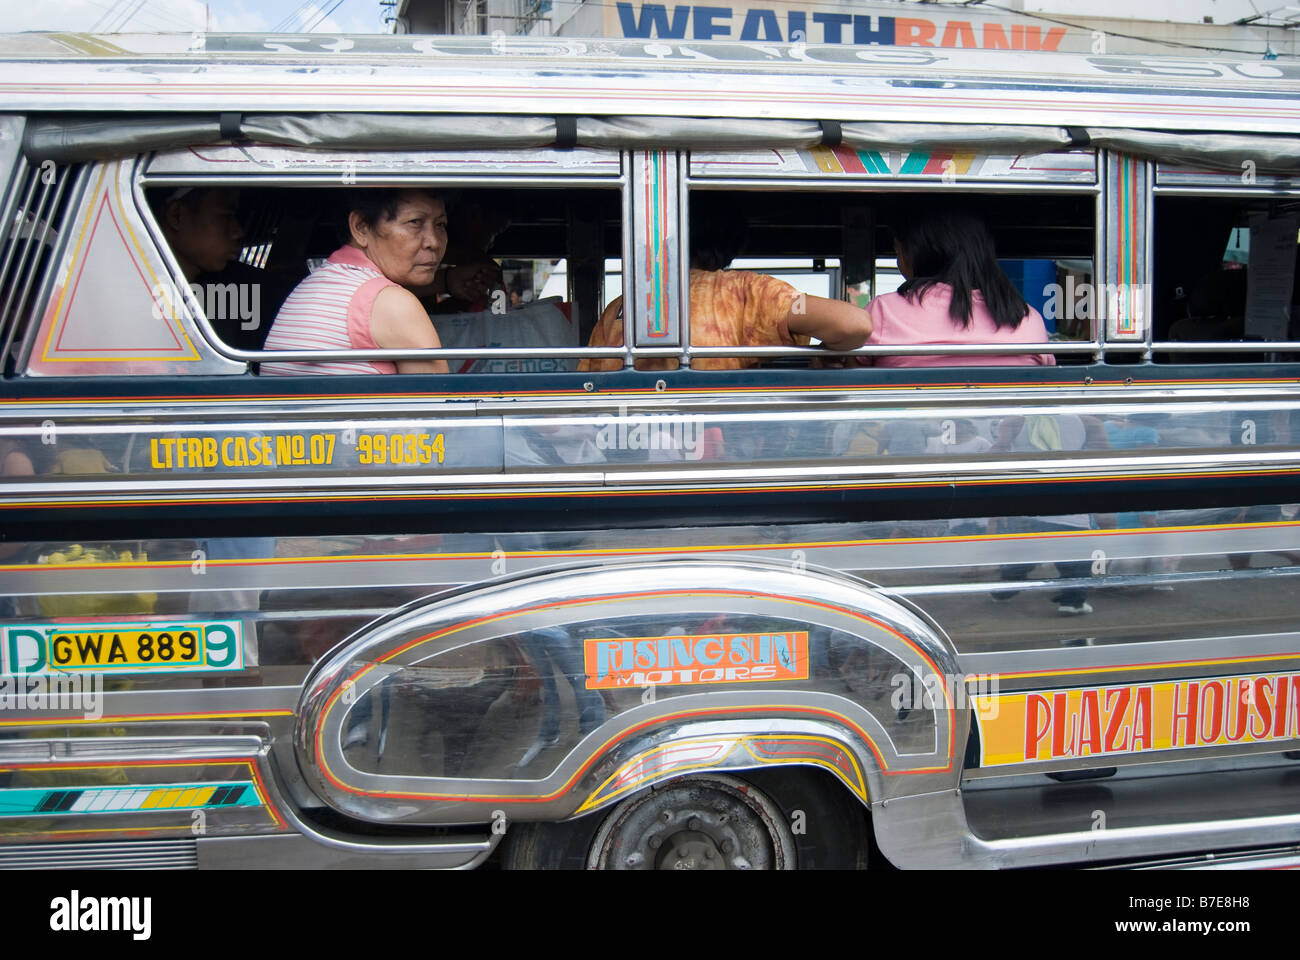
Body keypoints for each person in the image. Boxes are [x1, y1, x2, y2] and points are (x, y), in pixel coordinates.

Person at [578, 202, 871, 371]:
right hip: (713, 452)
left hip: (625, 451)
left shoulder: (620, 305)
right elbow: (853, 323)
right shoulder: (749, 294)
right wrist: (822, 353)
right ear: (731, 245)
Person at [260, 188, 451, 375]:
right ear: (361, 227)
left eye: (440, 225)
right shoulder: (392, 304)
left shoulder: (313, 286)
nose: (433, 242)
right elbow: (441, 404)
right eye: (415, 222)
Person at [857, 210, 1055, 367]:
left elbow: (852, 380)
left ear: (916, 253)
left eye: (897, 251)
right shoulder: (1028, 320)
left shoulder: (883, 312)